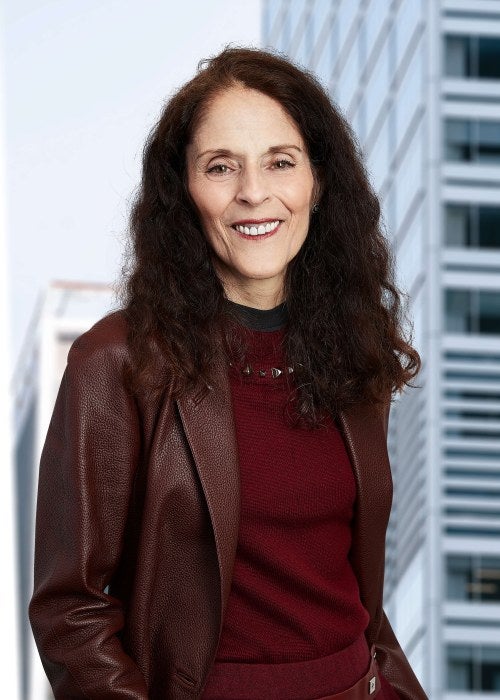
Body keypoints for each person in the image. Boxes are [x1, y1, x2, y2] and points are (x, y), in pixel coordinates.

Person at [29, 47, 428, 700]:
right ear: (184, 189)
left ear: (317, 181)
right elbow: (70, 610)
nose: (253, 191)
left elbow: (354, 589)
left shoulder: (352, 350)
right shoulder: (117, 362)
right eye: (221, 166)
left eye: (280, 161)